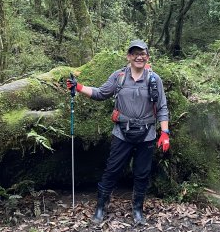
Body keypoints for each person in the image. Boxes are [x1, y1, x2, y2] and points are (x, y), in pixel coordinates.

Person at [66, 39, 170, 225]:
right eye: (135, 53)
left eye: (142, 53)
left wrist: (165, 133)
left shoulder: (154, 79)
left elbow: (162, 107)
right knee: (112, 170)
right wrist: (79, 87)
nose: (139, 57)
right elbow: (100, 93)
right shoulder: (119, 76)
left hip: (147, 134)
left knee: (142, 173)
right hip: (122, 133)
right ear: (129, 56)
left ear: (147, 56)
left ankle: (138, 210)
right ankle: (100, 207)